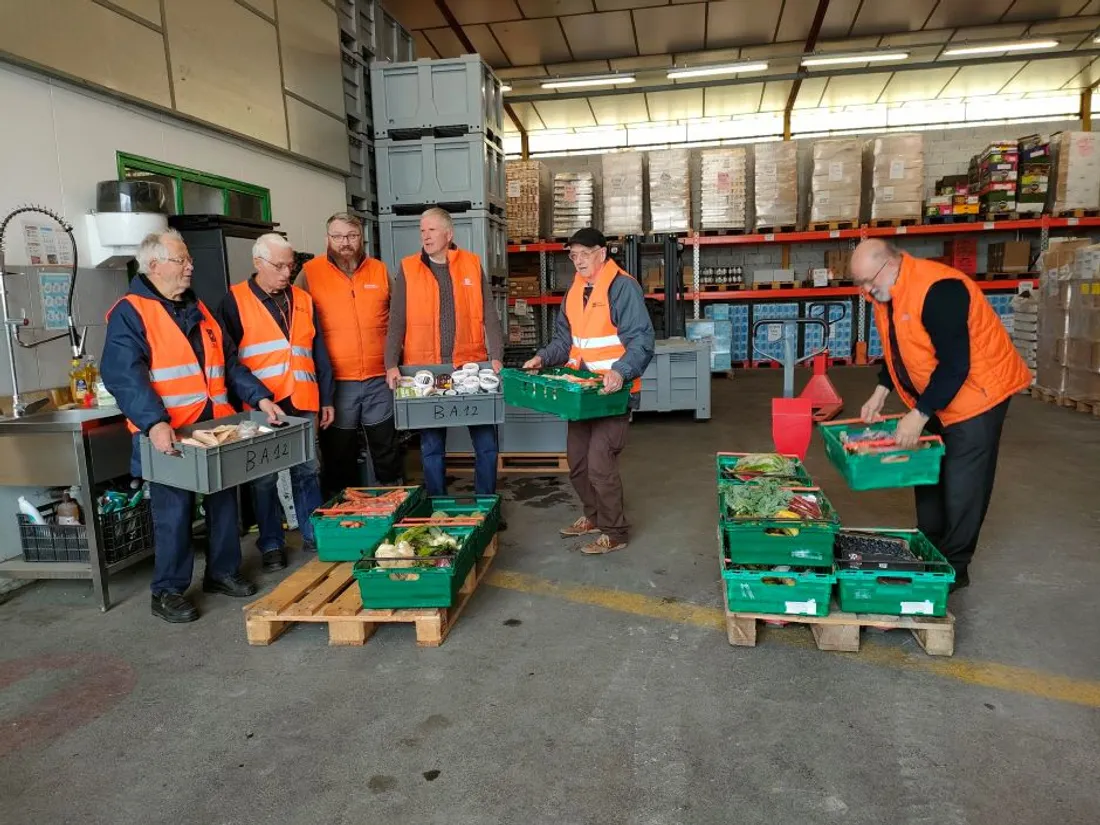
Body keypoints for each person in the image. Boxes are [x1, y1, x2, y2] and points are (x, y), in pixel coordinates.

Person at [102, 230, 284, 623]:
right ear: (154, 266)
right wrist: (153, 422)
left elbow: (231, 363)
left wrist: (259, 396)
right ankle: (167, 590)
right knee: (174, 513)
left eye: (188, 260)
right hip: (169, 434)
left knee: (223, 502)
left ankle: (221, 572)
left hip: (215, 427)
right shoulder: (131, 312)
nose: (190, 266)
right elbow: (124, 375)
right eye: (181, 260)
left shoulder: (198, 309)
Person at [850, 239, 1031, 592]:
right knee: (929, 473)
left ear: (890, 265)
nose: (865, 291)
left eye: (867, 282)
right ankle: (931, 549)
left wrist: (919, 414)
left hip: (979, 395)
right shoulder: (884, 294)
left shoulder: (940, 290)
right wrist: (881, 390)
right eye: (860, 285)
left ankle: (954, 569)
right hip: (936, 392)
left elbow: (955, 364)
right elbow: (899, 348)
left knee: (963, 485)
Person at [523, 228, 654, 555]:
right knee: (577, 461)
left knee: (599, 463)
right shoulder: (574, 292)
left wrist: (620, 372)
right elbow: (564, 342)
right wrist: (542, 357)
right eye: (573, 255)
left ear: (603, 253)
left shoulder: (623, 288)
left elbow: (642, 341)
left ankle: (616, 531)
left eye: (584, 253)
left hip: (613, 394)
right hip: (580, 393)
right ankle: (593, 516)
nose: (578, 260)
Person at [217, 233, 334, 571]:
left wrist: (325, 397)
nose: (287, 273)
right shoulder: (233, 302)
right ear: (258, 263)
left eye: (291, 266)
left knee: (308, 469)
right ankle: (271, 543)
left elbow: (318, 351)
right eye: (280, 266)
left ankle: (313, 534)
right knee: (264, 477)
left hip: (303, 397)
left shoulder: (303, 299)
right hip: (261, 405)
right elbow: (228, 362)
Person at [385, 208, 507, 506]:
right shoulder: (408, 268)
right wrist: (390, 363)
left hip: (470, 366)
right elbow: (397, 319)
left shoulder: (471, 264)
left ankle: (487, 504)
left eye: (432, 230)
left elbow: (489, 314)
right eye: (422, 230)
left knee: (486, 442)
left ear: (448, 234)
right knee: (431, 444)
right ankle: (438, 505)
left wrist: (497, 355)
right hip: (426, 371)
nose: (425, 236)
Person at [299, 213, 401, 495]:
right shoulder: (309, 273)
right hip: (336, 383)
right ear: (327, 239)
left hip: (379, 379)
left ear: (361, 238)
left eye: (352, 236)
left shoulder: (380, 271)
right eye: (338, 236)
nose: (345, 243)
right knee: (339, 452)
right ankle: (342, 510)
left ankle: (393, 502)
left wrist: (396, 360)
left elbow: (399, 318)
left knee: (386, 448)